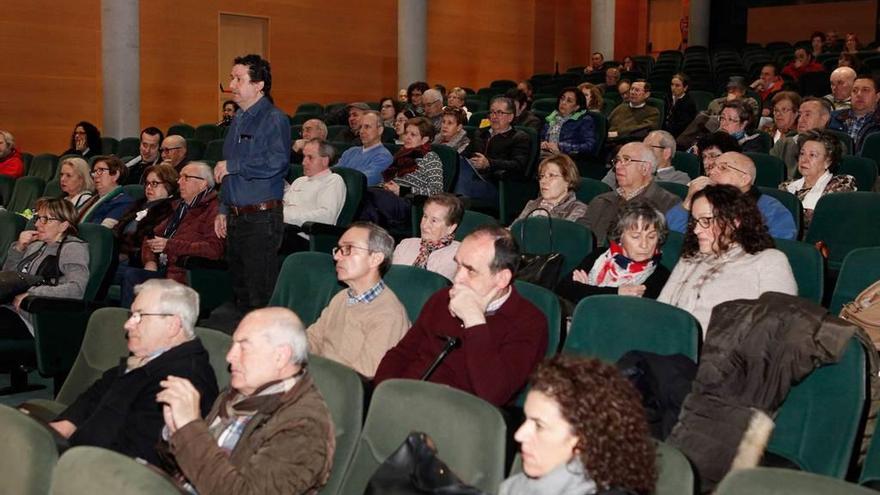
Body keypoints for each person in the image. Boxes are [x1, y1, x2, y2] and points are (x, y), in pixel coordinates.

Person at [156, 307, 335, 495]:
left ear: (280, 356)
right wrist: (175, 431)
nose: (230, 356)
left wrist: (190, 429)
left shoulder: (305, 427)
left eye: (243, 347)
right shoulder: (239, 394)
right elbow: (189, 466)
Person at [50, 279, 218, 467]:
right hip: (77, 459)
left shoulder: (182, 381)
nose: (128, 324)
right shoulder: (145, 359)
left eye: (139, 316)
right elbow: (92, 398)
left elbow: (133, 459)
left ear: (172, 325)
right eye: (131, 315)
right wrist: (53, 434)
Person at [374, 225, 548, 407]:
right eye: (458, 265)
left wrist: (474, 320)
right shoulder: (442, 298)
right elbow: (402, 353)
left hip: (459, 419)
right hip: (404, 400)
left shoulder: (529, 323)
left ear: (502, 279)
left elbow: (493, 394)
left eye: (470, 270)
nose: (457, 278)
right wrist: (383, 396)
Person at [499, 355, 656, 495]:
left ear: (583, 440)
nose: (519, 435)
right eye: (525, 419)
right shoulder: (518, 486)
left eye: (539, 426)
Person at [658, 184, 797, 334]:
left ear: (735, 221)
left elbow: (778, 324)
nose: (696, 230)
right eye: (695, 221)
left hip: (727, 352)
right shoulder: (689, 258)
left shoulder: (769, 261)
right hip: (672, 345)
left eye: (706, 220)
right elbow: (661, 310)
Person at [214, 54, 290, 315]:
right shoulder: (238, 119)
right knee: (241, 294)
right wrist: (223, 209)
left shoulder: (274, 119)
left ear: (258, 85)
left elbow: (277, 162)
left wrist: (234, 166)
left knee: (260, 296)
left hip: (260, 218)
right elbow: (227, 170)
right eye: (231, 78)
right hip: (236, 217)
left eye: (238, 79)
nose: (231, 84)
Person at [307, 223, 409, 378]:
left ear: (375, 259)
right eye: (339, 249)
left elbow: (363, 377)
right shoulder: (342, 297)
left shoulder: (388, 314)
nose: (337, 256)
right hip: (320, 378)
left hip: (341, 392)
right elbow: (314, 338)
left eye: (348, 249)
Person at [125, 162, 224, 306]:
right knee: (131, 275)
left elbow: (214, 249)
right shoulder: (178, 206)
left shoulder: (215, 210)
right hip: (162, 268)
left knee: (132, 276)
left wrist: (169, 245)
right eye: (180, 177)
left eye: (186, 177)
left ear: (203, 184)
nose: (179, 181)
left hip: (185, 274)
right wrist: (150, 261)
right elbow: (151, 236)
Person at [0, 198, 89, 336]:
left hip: (36, 317)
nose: (37, 224)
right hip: (11, 308)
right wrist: (19, 248)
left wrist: (33, 293)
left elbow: (76, 289)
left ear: (63, 225)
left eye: (45, 220)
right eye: (38, 218)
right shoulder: (35, 245)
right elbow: (8, 278)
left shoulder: (72, 248)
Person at [555, 201, 671, 307]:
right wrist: (618, 292)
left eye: (651, 237)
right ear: (620, 236)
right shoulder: (599, 255)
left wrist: (585, 289)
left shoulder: (660, 275)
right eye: (636, 236)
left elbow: (626, 309)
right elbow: (562, 289)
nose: (644, 245)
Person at [666, 152, 797, 240]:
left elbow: (778, 249)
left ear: (744, 179)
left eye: (723, 168)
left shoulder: (771, 208)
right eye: (712, 167)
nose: (712, 172)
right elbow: (671, 238)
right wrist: (689, 202)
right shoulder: (703, 203)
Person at [583, 142, 681, 246]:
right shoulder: (601, 201)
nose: (617, 166)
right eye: (617, 160)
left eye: (626, 160)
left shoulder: (668, 204)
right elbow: (580, 240)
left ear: (645, 168)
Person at [357, 116, 443, 231]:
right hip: (388, 198)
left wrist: (402, 190)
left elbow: (436, 191)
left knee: (369, 195)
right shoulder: (400, 155)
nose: (407, 137)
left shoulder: (431, 157)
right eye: (407, 133)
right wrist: (385, 186)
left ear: (424, 139)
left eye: (413, 135)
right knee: (365, 200)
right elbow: (386, 178)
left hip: (411, 204)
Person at [457, 96, 531, 204]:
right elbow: (465, 154)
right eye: (492, 112)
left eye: (500, 112)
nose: (494, 116)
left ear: (510, 117)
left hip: (497, 184)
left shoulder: (519, 138)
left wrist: (489, 163)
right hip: (473, 177)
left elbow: (518, 165)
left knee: (459, 184)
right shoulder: (481, 133)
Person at [779, 129, 857, 228]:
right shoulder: (786, 186)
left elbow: (823, 219)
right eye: (802, 153)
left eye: (812, 155)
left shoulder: (841, 184)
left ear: (827, 162)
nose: (804, 160)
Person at [113, 164, 178, 276]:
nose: (148, 187)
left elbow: (151, 242)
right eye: (147, 183)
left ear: (169, 185)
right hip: (118, 255)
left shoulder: (170, 210)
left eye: (154, 183)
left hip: (138, 262)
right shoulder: (137, 205)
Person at [281, 139, 345, 252]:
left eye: (310, 157)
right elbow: (284, 205)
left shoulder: (333, 180)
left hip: (306, 236)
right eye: (304, 157)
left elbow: (326, 216)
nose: (303, 162)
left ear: (325, 161)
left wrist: (285, 217)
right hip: (285, 229)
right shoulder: (299, 181)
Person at [393, 193, 462, 281]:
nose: (425, 225)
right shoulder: (405, 245)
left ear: (451, 228)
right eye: (425, 216)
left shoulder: (459, 255)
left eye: (434, 221)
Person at [602, 130, 690, 188]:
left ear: (666, 153)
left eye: (649, 147)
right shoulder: (627, 166)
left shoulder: (679, 178)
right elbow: (603, 188)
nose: (643, 151)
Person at [516, 154, 588, 224]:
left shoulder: (578, 210)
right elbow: (513, 231)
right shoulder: (532, 204)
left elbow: (561, 234)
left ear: (568, 180)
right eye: (542, 176)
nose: (543, 181)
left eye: (551, 175)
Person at [771, 97, 833, 177]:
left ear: (824, 118)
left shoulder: (833, 146)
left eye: (807, 115)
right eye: (800, 115)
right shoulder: (783, 143)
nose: (800, 120)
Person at [335, 111, 394, 186]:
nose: (361, 131)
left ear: (380, 130)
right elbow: (334, 173)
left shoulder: (384, 157)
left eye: (367, 127)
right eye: (360, 127)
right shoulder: (350, 152)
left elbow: (363, 180)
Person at [540, 87, 597, 159]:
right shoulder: (552, 117)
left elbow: (589, 146)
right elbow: (541, 137)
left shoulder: (584, 120)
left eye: (569, 101)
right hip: (546, 154)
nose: (563, 102)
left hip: (566, 157)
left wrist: (560, 147)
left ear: (576, 107)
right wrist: (543, 143)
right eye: (562, 98)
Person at [78, 155, 135, 228]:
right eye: (94, 172)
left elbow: (104, 231)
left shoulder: (123, 202)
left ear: (115, 175)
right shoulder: (92, 200)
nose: (95, 175)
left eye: (100, 170)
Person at [831, 75, 880, 154]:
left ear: (877, 97)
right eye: (854, 90)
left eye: (865, 90)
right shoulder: (833, 117)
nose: (859, 94)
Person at [664, 73, 697, 138]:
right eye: (672, 84)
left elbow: (682, 126)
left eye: (677, 85)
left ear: (685, 88)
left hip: (678, 135)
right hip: (665, 131)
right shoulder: (667, 98)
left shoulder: (689, 103)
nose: (673, 88)